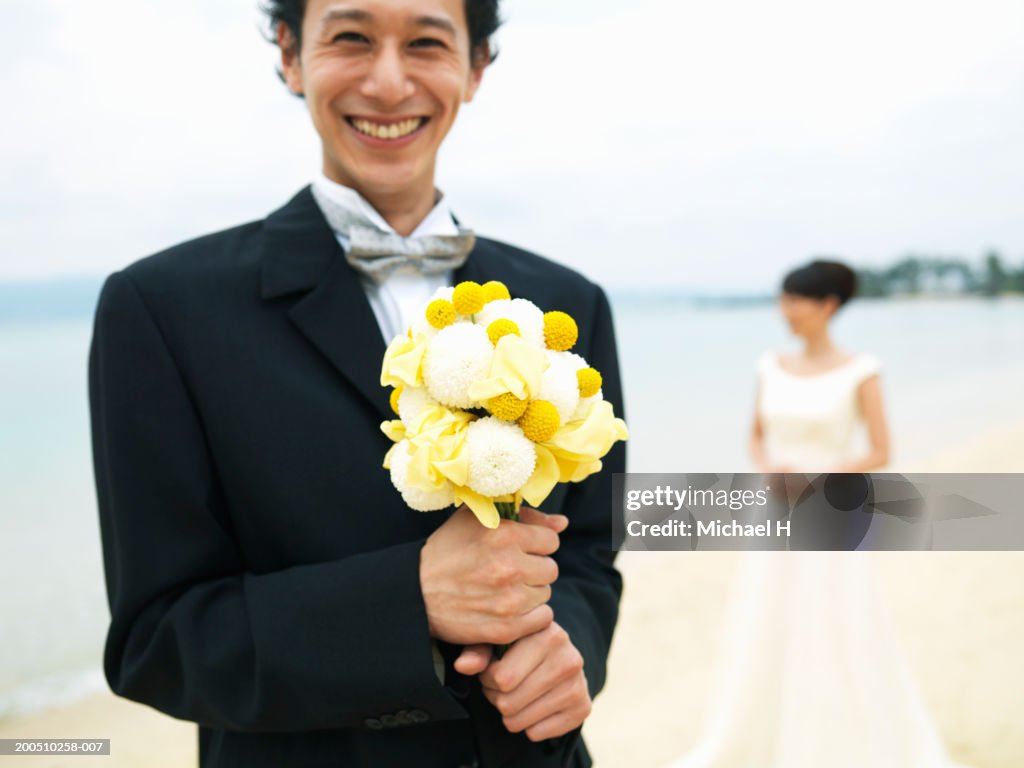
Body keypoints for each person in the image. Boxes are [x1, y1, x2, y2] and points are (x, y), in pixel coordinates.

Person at [87, 2, 625, 767]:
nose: (387, 80)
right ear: (290, 54)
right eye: (350, 37)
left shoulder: (570, 305)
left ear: (475, 68)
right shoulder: (162, 310)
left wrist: (569, 653)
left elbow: (591, 553)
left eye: (428, 42)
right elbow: (156, 641)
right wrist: (408, 602)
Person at [670, 260, 967, 768]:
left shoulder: (861, 369)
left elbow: (880, 448)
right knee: (768, 616)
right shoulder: (770, 365)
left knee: (837, 620)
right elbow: (756, 436)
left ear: (829, 304)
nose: (785, 311)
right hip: (776, 508)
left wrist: (820, 477)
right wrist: (770, 472)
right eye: (782, 299)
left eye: (796, 300)